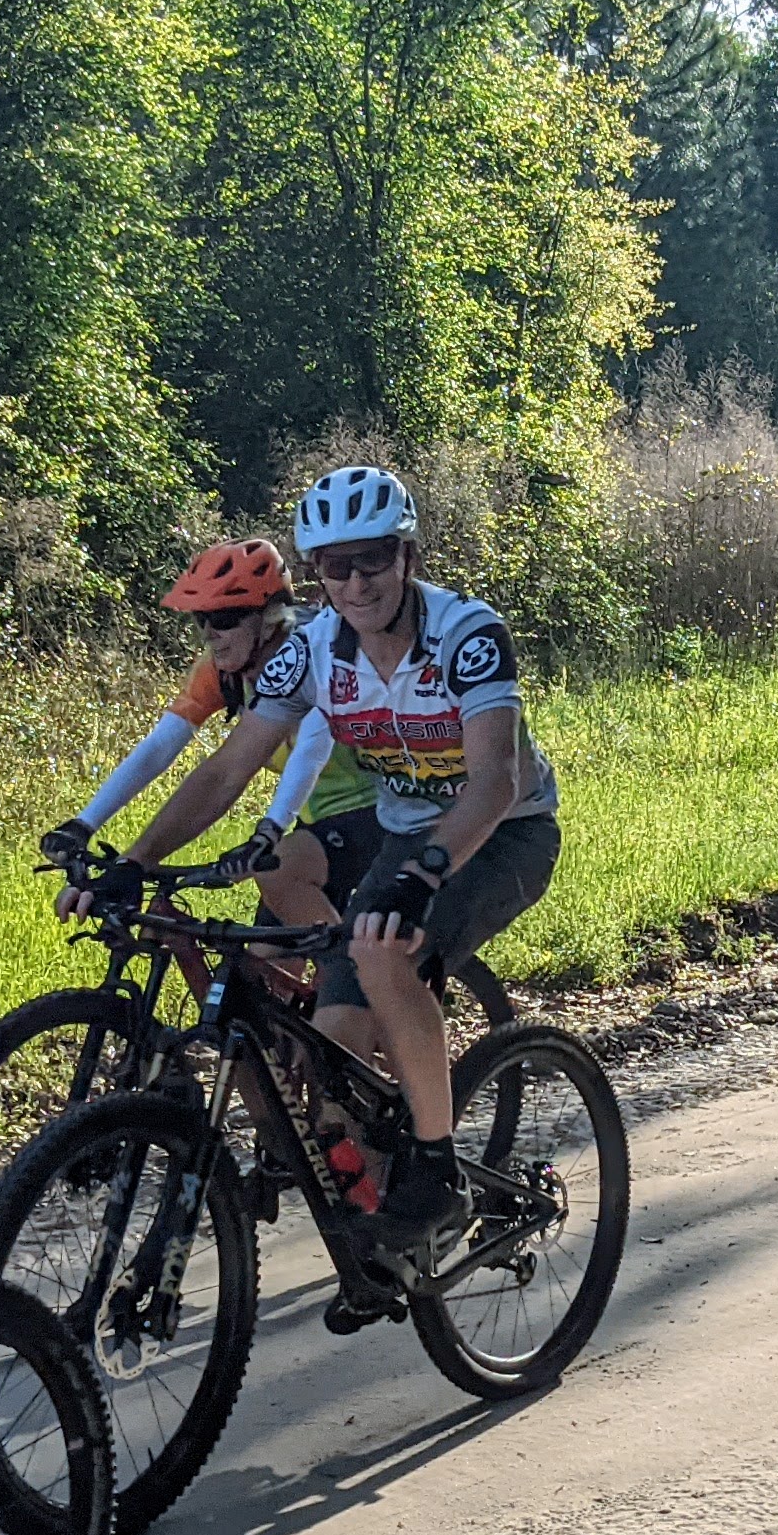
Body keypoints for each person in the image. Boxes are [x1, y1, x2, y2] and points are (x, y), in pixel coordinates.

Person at [103, 466, 560, 1300]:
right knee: (335, 1054)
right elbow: (227, 770)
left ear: (407, 554)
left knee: (383, 948)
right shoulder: (312, 650)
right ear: (313, 574)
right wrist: (132, 861)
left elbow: (493, 782)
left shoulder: (469, 633)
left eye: (373, 558)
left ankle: (435, 1171)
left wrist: (423, 873)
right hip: (404, 830)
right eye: (333, 566)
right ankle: (375, 1256)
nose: (355, 582)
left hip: (502, 834)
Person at [57, 538, 376, 929]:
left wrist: (269, 831)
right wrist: (83, 824)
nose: (210, 634)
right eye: (201, 619)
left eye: (225, 619)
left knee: (295, 901)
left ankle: (360, 980)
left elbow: (307, 755)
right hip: (316, 823)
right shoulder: (223, 672)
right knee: (261, 972)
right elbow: (160, 747)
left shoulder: (315, 657)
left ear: (270, 616)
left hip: (379, 809)